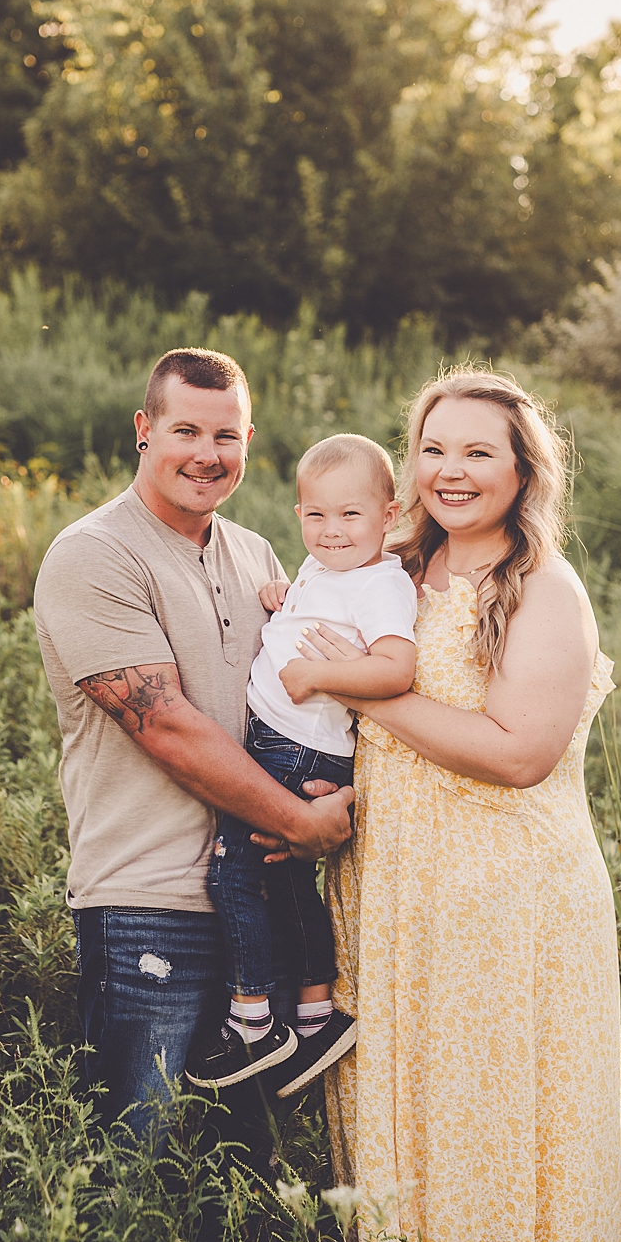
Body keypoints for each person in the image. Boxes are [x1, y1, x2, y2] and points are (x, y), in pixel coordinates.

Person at [299, 366, 621, 1242]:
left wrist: (357, 690)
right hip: (391, 889)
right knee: (407, 1100)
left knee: (495, 1108)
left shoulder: (543, 587)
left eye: (477, 451)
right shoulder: (387, 566)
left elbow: (518, 753)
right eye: (434, 448)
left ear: (522, 469)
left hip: (509, 897)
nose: (451, 470)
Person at [32, 347, 353, 1141]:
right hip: (150, 901)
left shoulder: (259, 555)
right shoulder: (93, 554)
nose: (207, 455)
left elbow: (304, 701)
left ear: (249, 442)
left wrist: (330, 792)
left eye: (226, 436)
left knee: (250, 1159)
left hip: (261, 899)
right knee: (134, 1153)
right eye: (186, 431)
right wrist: (299, 821)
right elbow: (165, 725)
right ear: (144, 429)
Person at [184, 434, 418, 1095]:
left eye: (350, 515)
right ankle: (316, 1014)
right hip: (287, 741)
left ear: (388, 515)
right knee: (287, 881)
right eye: (316, 514)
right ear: (298, 514)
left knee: (233, 873)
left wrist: (318, 674)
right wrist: (284, 596)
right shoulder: (325, 566)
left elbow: (396, 668)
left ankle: (252, 1020)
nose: (332, 529)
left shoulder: (381, 584)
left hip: (298, 747)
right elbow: (315, 610)